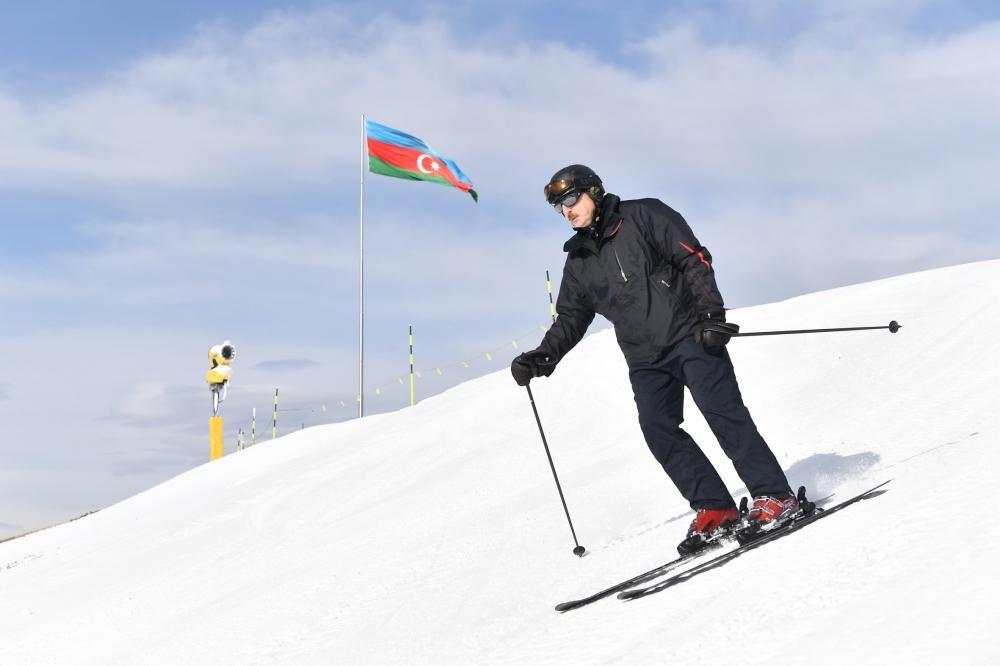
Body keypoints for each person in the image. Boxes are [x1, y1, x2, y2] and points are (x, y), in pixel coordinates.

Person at [510, 164, 798, 555]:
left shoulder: (645, 215)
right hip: (644, 356)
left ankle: (774, 496)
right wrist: (542, 357)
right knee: (658, 429)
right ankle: (716, 507)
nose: (567, 212)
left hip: (689, 334)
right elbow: (572, 318)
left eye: (572, 200)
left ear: (594, 192)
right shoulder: (579, 260)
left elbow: (693, 259)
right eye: (560, 207)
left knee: (723, 413)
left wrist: (712, 316)